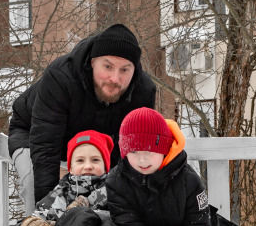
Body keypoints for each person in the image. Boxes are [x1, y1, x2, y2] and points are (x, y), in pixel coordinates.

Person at [8, 24, 156, 212]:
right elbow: (45, 145)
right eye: (108, 66)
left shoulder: (143, 92)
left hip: (98, 147)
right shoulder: (60, 77)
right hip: (34, 135)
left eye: (124, 70)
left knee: (111, 192)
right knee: (34, 184)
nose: (115, 78)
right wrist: (44, 214)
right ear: (93, 62)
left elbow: (131, 151)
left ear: (134, 70)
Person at [106, 107, 244, 226]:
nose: (142, 160)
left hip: (193, 225)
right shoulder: (116, 182)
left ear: (163, 149)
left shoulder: (188, 179)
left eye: (149, 151)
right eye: (133, 152)